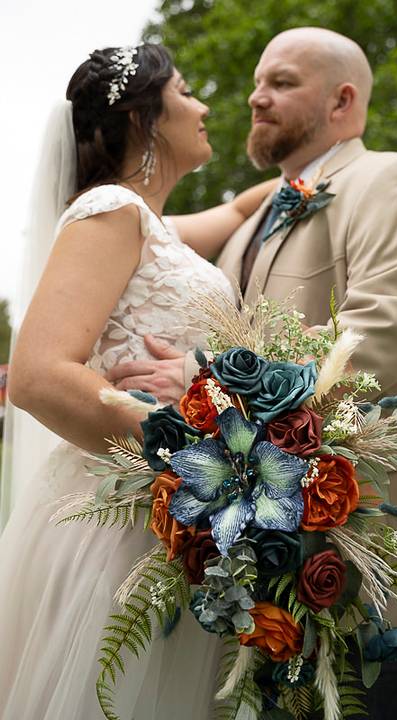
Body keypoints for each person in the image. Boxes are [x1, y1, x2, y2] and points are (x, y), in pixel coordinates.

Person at [108, 28, 397, 720]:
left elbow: (377, 336)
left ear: (342, 99)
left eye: (281, 82)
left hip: (362, 536)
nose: (254, 96)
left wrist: (203, 374)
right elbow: (135, 236)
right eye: (256, 82)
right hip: (257, 539)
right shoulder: (252, 218)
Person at [0, 42, 277, 719]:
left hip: (184, 507)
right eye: (186, 91)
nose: (207, 105)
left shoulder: (154, 227)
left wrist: (307, 177)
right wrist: (179, 432)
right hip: (122, 513)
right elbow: (37, 376)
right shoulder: (108, 214)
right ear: (144, 118)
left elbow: (238, 213)